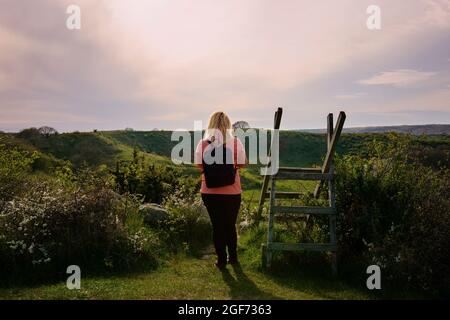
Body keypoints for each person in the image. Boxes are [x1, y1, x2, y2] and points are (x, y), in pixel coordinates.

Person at [195, 111, 247, 270]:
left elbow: (199, 165)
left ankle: (221, 260)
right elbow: (243, 163)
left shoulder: (203, 143)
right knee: (230, 225)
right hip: (232, 192)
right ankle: (234, 257)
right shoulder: (236, 142)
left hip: (210, 192)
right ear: (228, 125)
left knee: (217, 226)